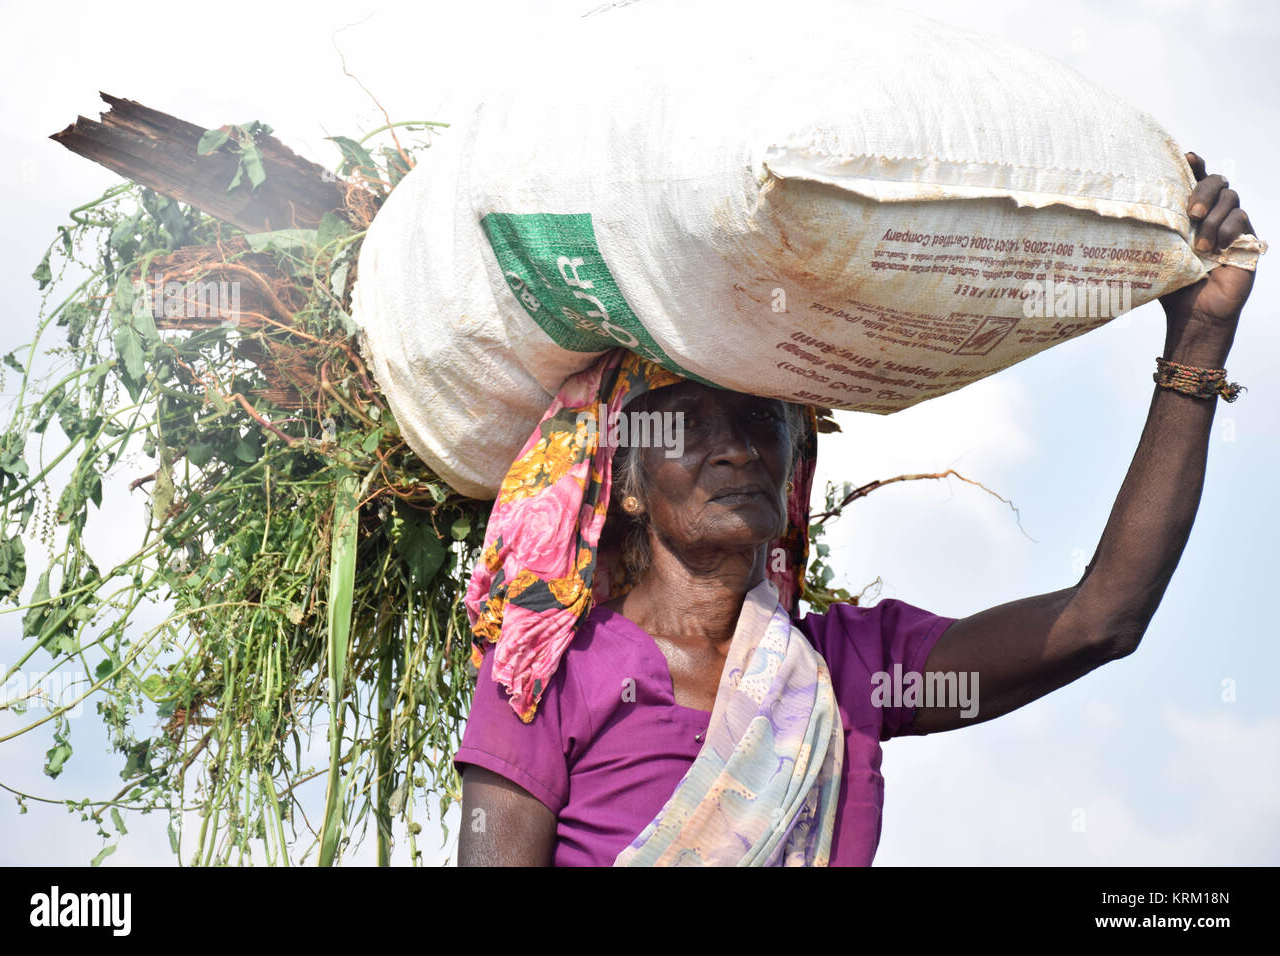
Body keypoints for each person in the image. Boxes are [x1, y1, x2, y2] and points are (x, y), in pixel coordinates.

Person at [454, 154, 1258, 866]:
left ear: (794, 465)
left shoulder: (851, 673)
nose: (735, 449)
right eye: (689, 425)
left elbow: (1100, 621)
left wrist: (1198, 344)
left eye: (761, 420)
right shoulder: (546, 673)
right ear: (624, 484)